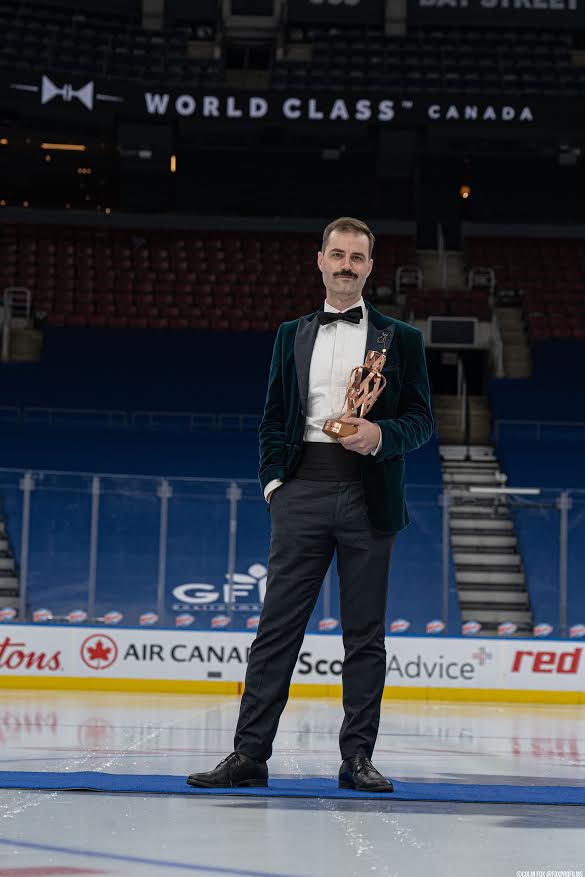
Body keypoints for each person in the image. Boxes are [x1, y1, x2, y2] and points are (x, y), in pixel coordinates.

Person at [187, 217, 433, 792]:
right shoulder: (288, 334)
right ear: (320, 260)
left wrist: (381, 437)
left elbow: (422, 420)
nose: (347, 265)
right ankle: (248, 755)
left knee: (365, 635)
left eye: (358, 257)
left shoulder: (404, 339)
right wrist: (275, 486)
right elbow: (274, 418)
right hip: (301, 490)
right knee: (276, 629)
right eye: (338, 254)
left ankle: (357, 760)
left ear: (371, 267)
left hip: (369, 492)